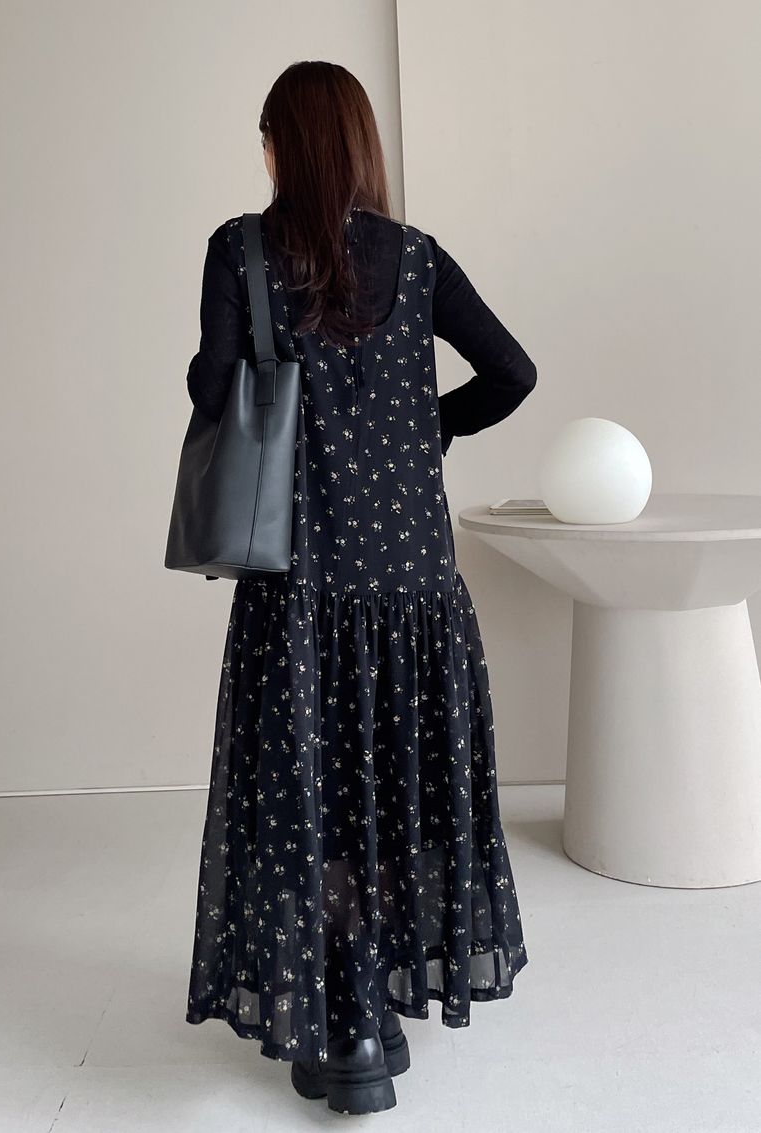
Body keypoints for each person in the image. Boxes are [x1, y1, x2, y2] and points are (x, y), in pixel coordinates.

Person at [183, 61, 536, 1116]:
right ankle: (378, 1002)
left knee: (313, 794)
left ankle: (345, 1031)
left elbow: (211, 389)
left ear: (280, 146)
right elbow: (512, 372)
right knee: (391, 785)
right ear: (362, 146)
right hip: (413, 582)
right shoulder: (418, 257)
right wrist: (429, 424)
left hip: (301, 580)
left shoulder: (241, 250)